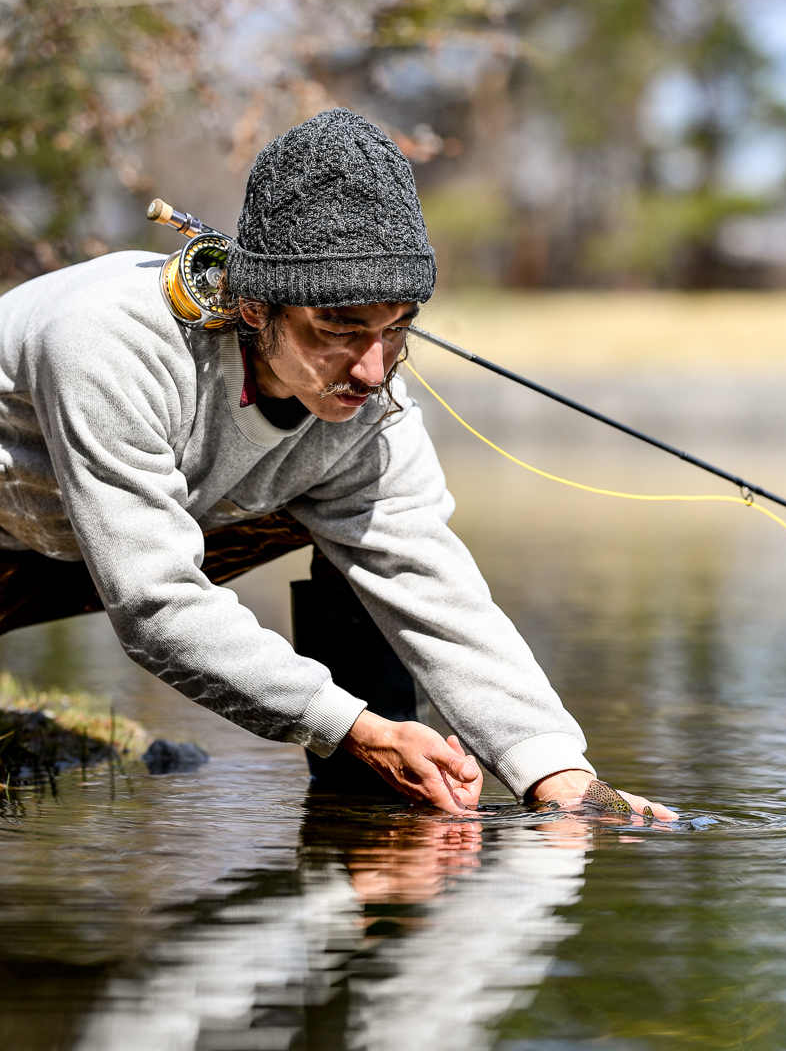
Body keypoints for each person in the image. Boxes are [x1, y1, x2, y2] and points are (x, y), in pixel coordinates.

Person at [0, 108, 675, 818]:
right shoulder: (107, 340)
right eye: (339, 330)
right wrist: (348, 727)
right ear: (255, 306)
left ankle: (367, 807)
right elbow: (154, 603)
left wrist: (556, 773)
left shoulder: (367, 412)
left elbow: (427, 580)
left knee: (366, 540)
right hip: (33, 550)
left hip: (84, 549)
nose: (373, 370)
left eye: (396, 330)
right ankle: (367, 752)